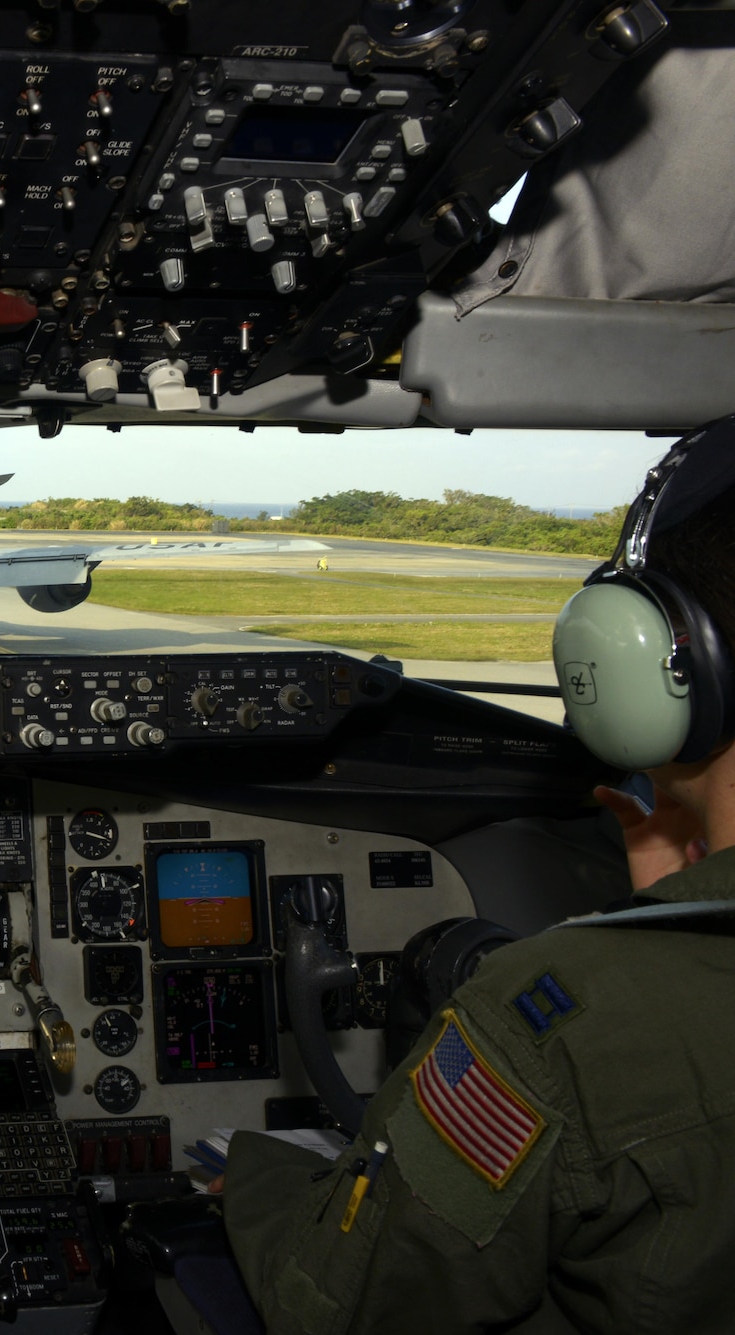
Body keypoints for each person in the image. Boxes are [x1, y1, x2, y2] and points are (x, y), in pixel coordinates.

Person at [219, 421, 735, 1333]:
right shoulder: (622, 989)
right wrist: (645, 907)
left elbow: (343, 1300)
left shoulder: (566, 1017)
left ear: (661, 657)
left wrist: (247, 1173)